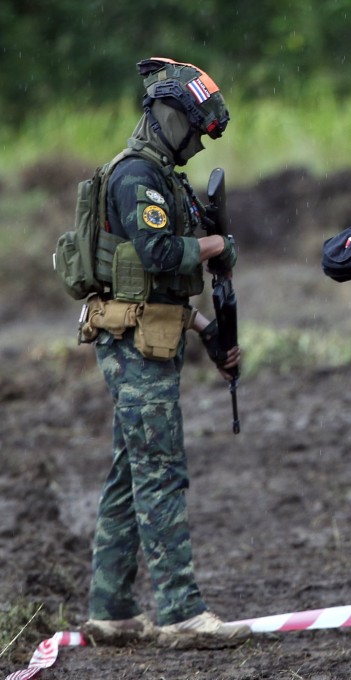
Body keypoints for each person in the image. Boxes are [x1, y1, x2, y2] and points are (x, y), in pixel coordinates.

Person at [78, 57, 251, 649]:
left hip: (153, 336)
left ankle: (113, 610)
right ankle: (180, 611)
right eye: (194, 130)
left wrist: (208, 331)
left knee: (131, 474)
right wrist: (215, 245)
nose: (199, 144)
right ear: (168, 117)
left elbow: (161, 288)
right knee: (160, 474)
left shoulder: (164, 177)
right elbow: (155, 254)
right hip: (133, 346)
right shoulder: (136, 178)